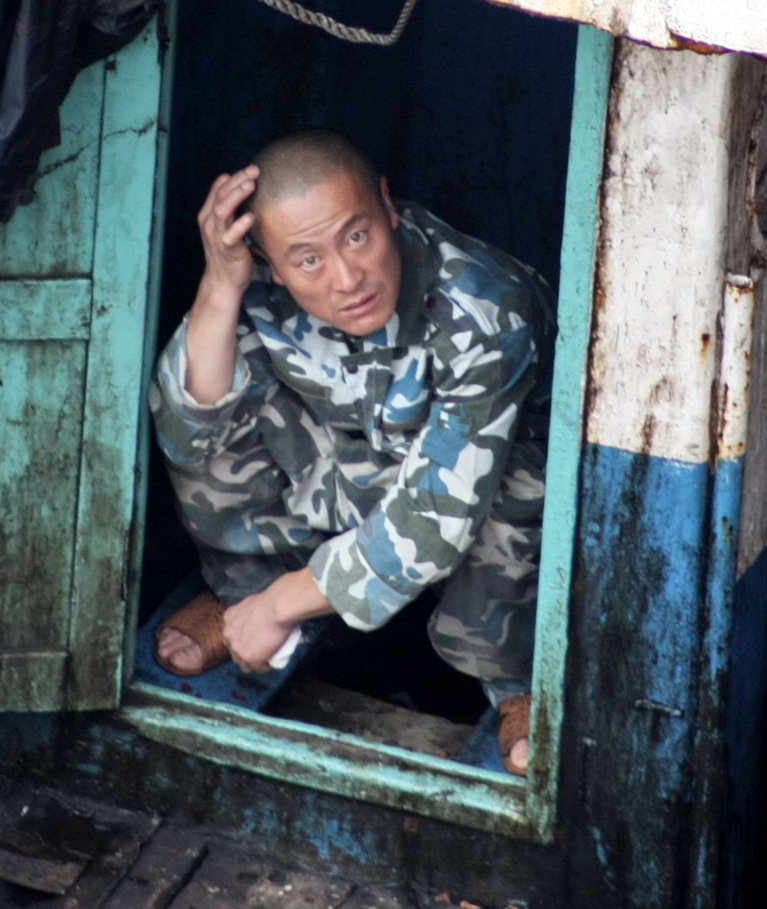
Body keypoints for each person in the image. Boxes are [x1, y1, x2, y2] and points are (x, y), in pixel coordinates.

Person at [148, 129, 553, 775]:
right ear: (271, 263)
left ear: (388, 206)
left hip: (472, 492)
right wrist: (221, 287)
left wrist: (283, 602)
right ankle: (240, 594)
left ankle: (516, 678)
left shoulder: (484, 307)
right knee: (215, 400)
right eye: (306, 259)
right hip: (359, 468)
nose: (346, 277)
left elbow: (434, 520)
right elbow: (186, 429)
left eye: (356, 235)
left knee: (519, 486)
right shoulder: (258, 286)